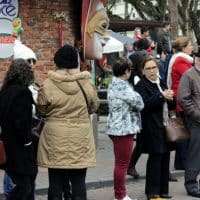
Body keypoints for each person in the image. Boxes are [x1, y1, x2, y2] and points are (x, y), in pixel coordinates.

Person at [37, 44, 99, 200]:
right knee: (79, 182)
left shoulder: (48, 84)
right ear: (75, 62)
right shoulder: (86, 83)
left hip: (55, 139)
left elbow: (42, 110)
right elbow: (94, 106)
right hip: (81, 138)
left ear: (57, 62)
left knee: (55, 183)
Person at [135, 57, 174, 200]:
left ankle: (163, 190)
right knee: (155, 159)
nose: (152, 71)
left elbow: (168, 103)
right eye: (148, 69)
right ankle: (152, 193)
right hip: (151, 127)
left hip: (165, 125)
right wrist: (161, 96)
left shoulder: (161, 82)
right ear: (143, 71)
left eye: (154, 68)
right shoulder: (141, 85)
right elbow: (144, 105)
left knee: (165, 157)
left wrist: (170, 98)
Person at [0, 59, 37, 200]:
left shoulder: (4, 91)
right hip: (20, 147)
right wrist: (28, 142)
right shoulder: (23, 93)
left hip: (7, 142)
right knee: (25, 185)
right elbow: (21, 122)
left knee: (19, 183)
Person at [107, 58, 144, 200]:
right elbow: (140, 103)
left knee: (120, 163)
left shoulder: (113, 84)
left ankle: (120, 193)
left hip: (116, 127)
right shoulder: (123, 87)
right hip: (123, 129)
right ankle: (120, 195)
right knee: (122, 164)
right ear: (126, 71)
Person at [167, 36, 193, 171]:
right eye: (190, 45)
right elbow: (192, 78)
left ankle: (180, 162)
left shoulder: (180, 60)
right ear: (183, 48)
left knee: (184, 132)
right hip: (183, 101)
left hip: (180, 100)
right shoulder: (181, 61)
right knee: (184, 133)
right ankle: (183, 162)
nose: (192, 47)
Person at [178, 52, 200, 198]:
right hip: (196, 121)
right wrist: (197, 115)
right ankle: (191, 184)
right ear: (197, 59)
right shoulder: (189, 75)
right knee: (194, 154)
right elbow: (183, 98)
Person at [127, 50, 148, 179]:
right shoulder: (136, 77)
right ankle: (130, 166)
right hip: (142, 114)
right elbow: (138, 96)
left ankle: (131, 166)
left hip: (142, 114)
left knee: (142, 142)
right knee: (141, 142)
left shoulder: (137, 75)